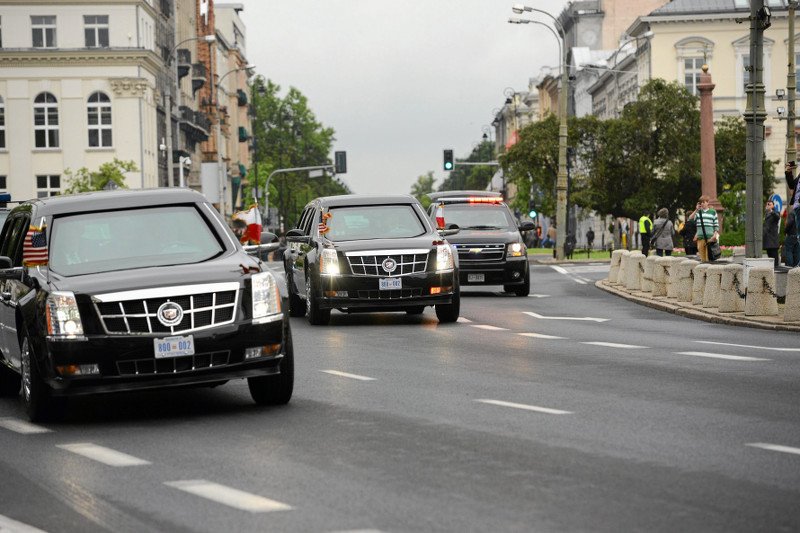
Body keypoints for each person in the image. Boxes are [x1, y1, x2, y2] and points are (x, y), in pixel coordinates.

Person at [693, 195, 719, 263]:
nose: (702, 204)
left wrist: (715, 235)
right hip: (700, 237)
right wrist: (696, 209)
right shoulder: (698, 212)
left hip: (710, 238)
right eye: (701, 202)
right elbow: (690, 219)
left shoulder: (713, 212)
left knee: (709, 258)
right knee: (703, 259)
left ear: (707, 202)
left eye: (703, 202)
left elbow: (716, 225)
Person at [763, 199, 780, 268]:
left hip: (773, 238)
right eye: (767, 204)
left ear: (773, 205)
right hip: (767, 238)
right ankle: (772, 268)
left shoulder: (776, 212)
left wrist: (771, 210)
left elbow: (777, 217)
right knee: (769, 255)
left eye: (770, 204)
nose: (768, 206)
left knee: (774, 254)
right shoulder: (766, 214)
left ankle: (776, 267)